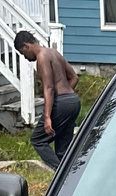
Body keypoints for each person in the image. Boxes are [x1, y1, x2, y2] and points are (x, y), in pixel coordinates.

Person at [15, 30, 81, 168]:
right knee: (63, 150)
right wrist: (67, 98)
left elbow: (49, 87)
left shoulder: (42, 57)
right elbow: (74, 77)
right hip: (73, 102)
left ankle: (61, 177)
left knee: (38, 140)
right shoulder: (54, 52)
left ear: (27, 46)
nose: (25, 58)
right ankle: (70, 177)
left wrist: (47, 117)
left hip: (62, 104)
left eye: (23, 53)